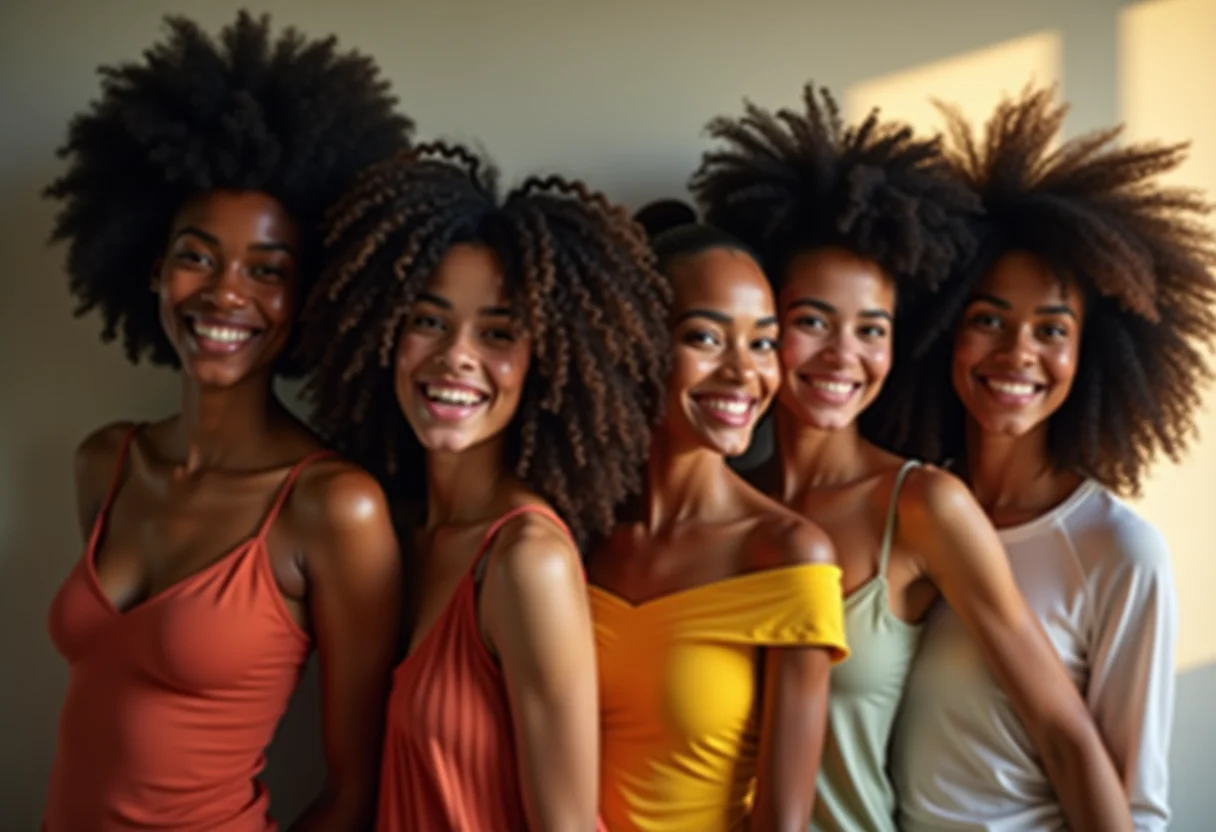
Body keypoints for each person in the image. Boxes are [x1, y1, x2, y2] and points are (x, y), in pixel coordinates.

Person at [691, 82, 1133, 832]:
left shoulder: (922, 506)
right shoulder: (714, 499)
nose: (842, 356)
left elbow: (1065, 736)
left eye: (872, 329)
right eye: (811, 322)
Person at [42, 12, 412, 831]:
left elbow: (355, 793)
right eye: (197, 256)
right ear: (150, 264)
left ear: (308, 297)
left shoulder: (334, 508)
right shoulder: (104, 462)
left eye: (267, 270)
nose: (225, 294)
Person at [301, 142, 671, 831]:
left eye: (498, 333)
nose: (456, 356)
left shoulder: (527, 562)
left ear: (548, 364)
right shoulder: (397, 536)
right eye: (428, 321)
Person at [883, 86, 1216, 832]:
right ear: (941, 334)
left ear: (1092, 354)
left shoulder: (1117, 550)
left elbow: (1136, 807)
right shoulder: (900, 510)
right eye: (988, 320)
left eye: (1051, 329)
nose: (1017, 354)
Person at [586, 208, 849, 831]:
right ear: (635, 343)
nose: (743, 372)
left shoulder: (787, 553)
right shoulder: (575, 534)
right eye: (706, 337)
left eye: (762, 343)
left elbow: (783, 822)